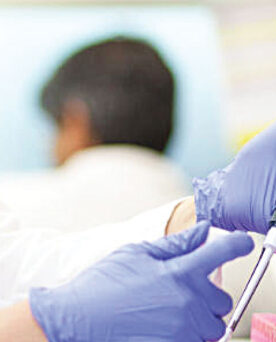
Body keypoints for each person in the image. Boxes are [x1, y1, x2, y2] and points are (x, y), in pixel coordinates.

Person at [0, 71, 276, 342]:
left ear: (74, 121)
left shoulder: (23, 197)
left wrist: (208, 207)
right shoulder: (245, 252)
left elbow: (21, 271)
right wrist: (47, 325)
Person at [0, 37, 187, 231]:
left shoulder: (12, 208)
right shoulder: (195, 214)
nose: (50, 147)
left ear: (75, 121)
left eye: (55, 128)